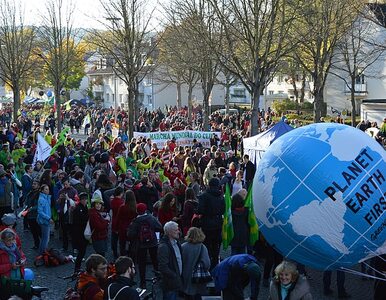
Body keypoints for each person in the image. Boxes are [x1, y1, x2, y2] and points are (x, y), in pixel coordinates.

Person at [127, 203, 162, 289]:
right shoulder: (151, 218)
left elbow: (130, 234)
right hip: (152, 243)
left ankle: (143, 282)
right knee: (155, 260)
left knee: (142, 264)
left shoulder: (136, 221)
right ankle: (158, 277)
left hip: (140, 244)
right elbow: (160, 227)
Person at [197, 177, 225, 270]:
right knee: (216, 245)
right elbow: (223, 209)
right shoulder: (221, 196)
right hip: (218, 222)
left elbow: (200, 210)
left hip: (207, 223)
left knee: (207, 245)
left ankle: (207, 266)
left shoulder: (204, 196)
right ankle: (215, 264)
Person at [181, 227, 210, 300]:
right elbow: (207, 264)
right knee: (198, 295)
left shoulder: (183, 246)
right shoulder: (202, 247)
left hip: (186, 275)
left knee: (187, 295)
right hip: (197, 278)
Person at [158, 221, 183, 300]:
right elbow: (163, 267)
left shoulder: (176, 243)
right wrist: (174, 276)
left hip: (175, 281)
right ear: (169, 232)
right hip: (170, 283)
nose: (178, 232)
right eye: (176, 230)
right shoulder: (164, 247)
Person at [72, 192, 89, 272]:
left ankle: (77, 267)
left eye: (86, 199)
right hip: (79, 233)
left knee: (82, 251)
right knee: (81, 251)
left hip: (83, 232)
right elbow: (78, 221)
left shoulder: (85, 207)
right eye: (84, 199)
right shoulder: (78, 209)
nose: (85, 201)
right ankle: (77, 268)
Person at [37, 184, 54, 254]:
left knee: (45, 238)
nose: (48, 190)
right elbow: (40, 211)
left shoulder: (46, 198)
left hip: (46, 220)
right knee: (45, 239)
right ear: (42, 190)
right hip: (44, 221)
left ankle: (43, 252)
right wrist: (48, 218)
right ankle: (42, 253)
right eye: (46, 189)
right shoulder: (41, 199)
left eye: (48, 189)